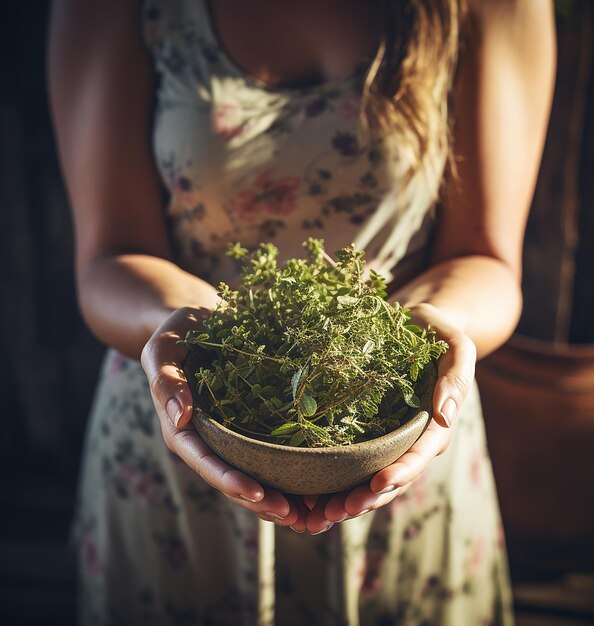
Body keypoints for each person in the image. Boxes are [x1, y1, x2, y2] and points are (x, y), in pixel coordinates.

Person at [48, 0, 555, 624]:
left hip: (399, 436)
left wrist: (432, 324)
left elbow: (486, 259)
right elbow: (109, 256)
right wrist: (196, 329)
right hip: (179, 422)